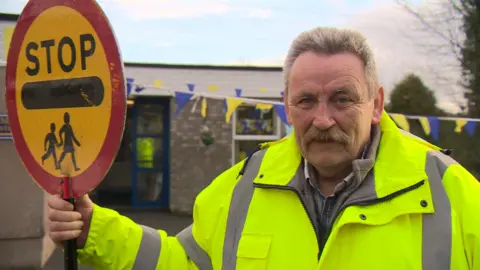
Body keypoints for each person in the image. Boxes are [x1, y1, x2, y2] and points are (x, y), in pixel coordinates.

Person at [47, 27, 480, 269]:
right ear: (288, 108)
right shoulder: (243, 185)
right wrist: (93, 228)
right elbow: (179, 261)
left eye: (343, 99)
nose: (323, 119)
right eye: (306, 101)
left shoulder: (453, 193)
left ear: (377, 104)